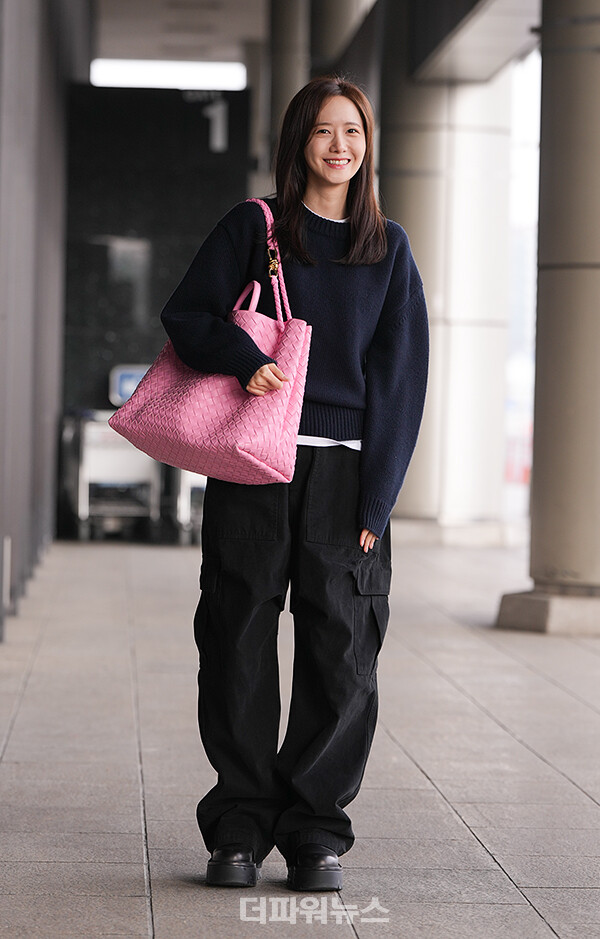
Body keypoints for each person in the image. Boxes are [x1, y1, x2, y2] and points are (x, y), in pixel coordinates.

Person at [160, 75, 429, 892]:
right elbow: (189, 316)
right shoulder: (258, 226)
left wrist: (377, 498)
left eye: (353, 131)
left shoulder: (389, 247)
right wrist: (250, 363)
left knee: (342, 655)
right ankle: (238, 827)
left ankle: (316, 832)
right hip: (253, 466)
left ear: (367, 146)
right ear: (298, 141)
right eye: (324, 130)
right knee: (236, 640)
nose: (340, 145)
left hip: (344, 476)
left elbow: (401, 378)